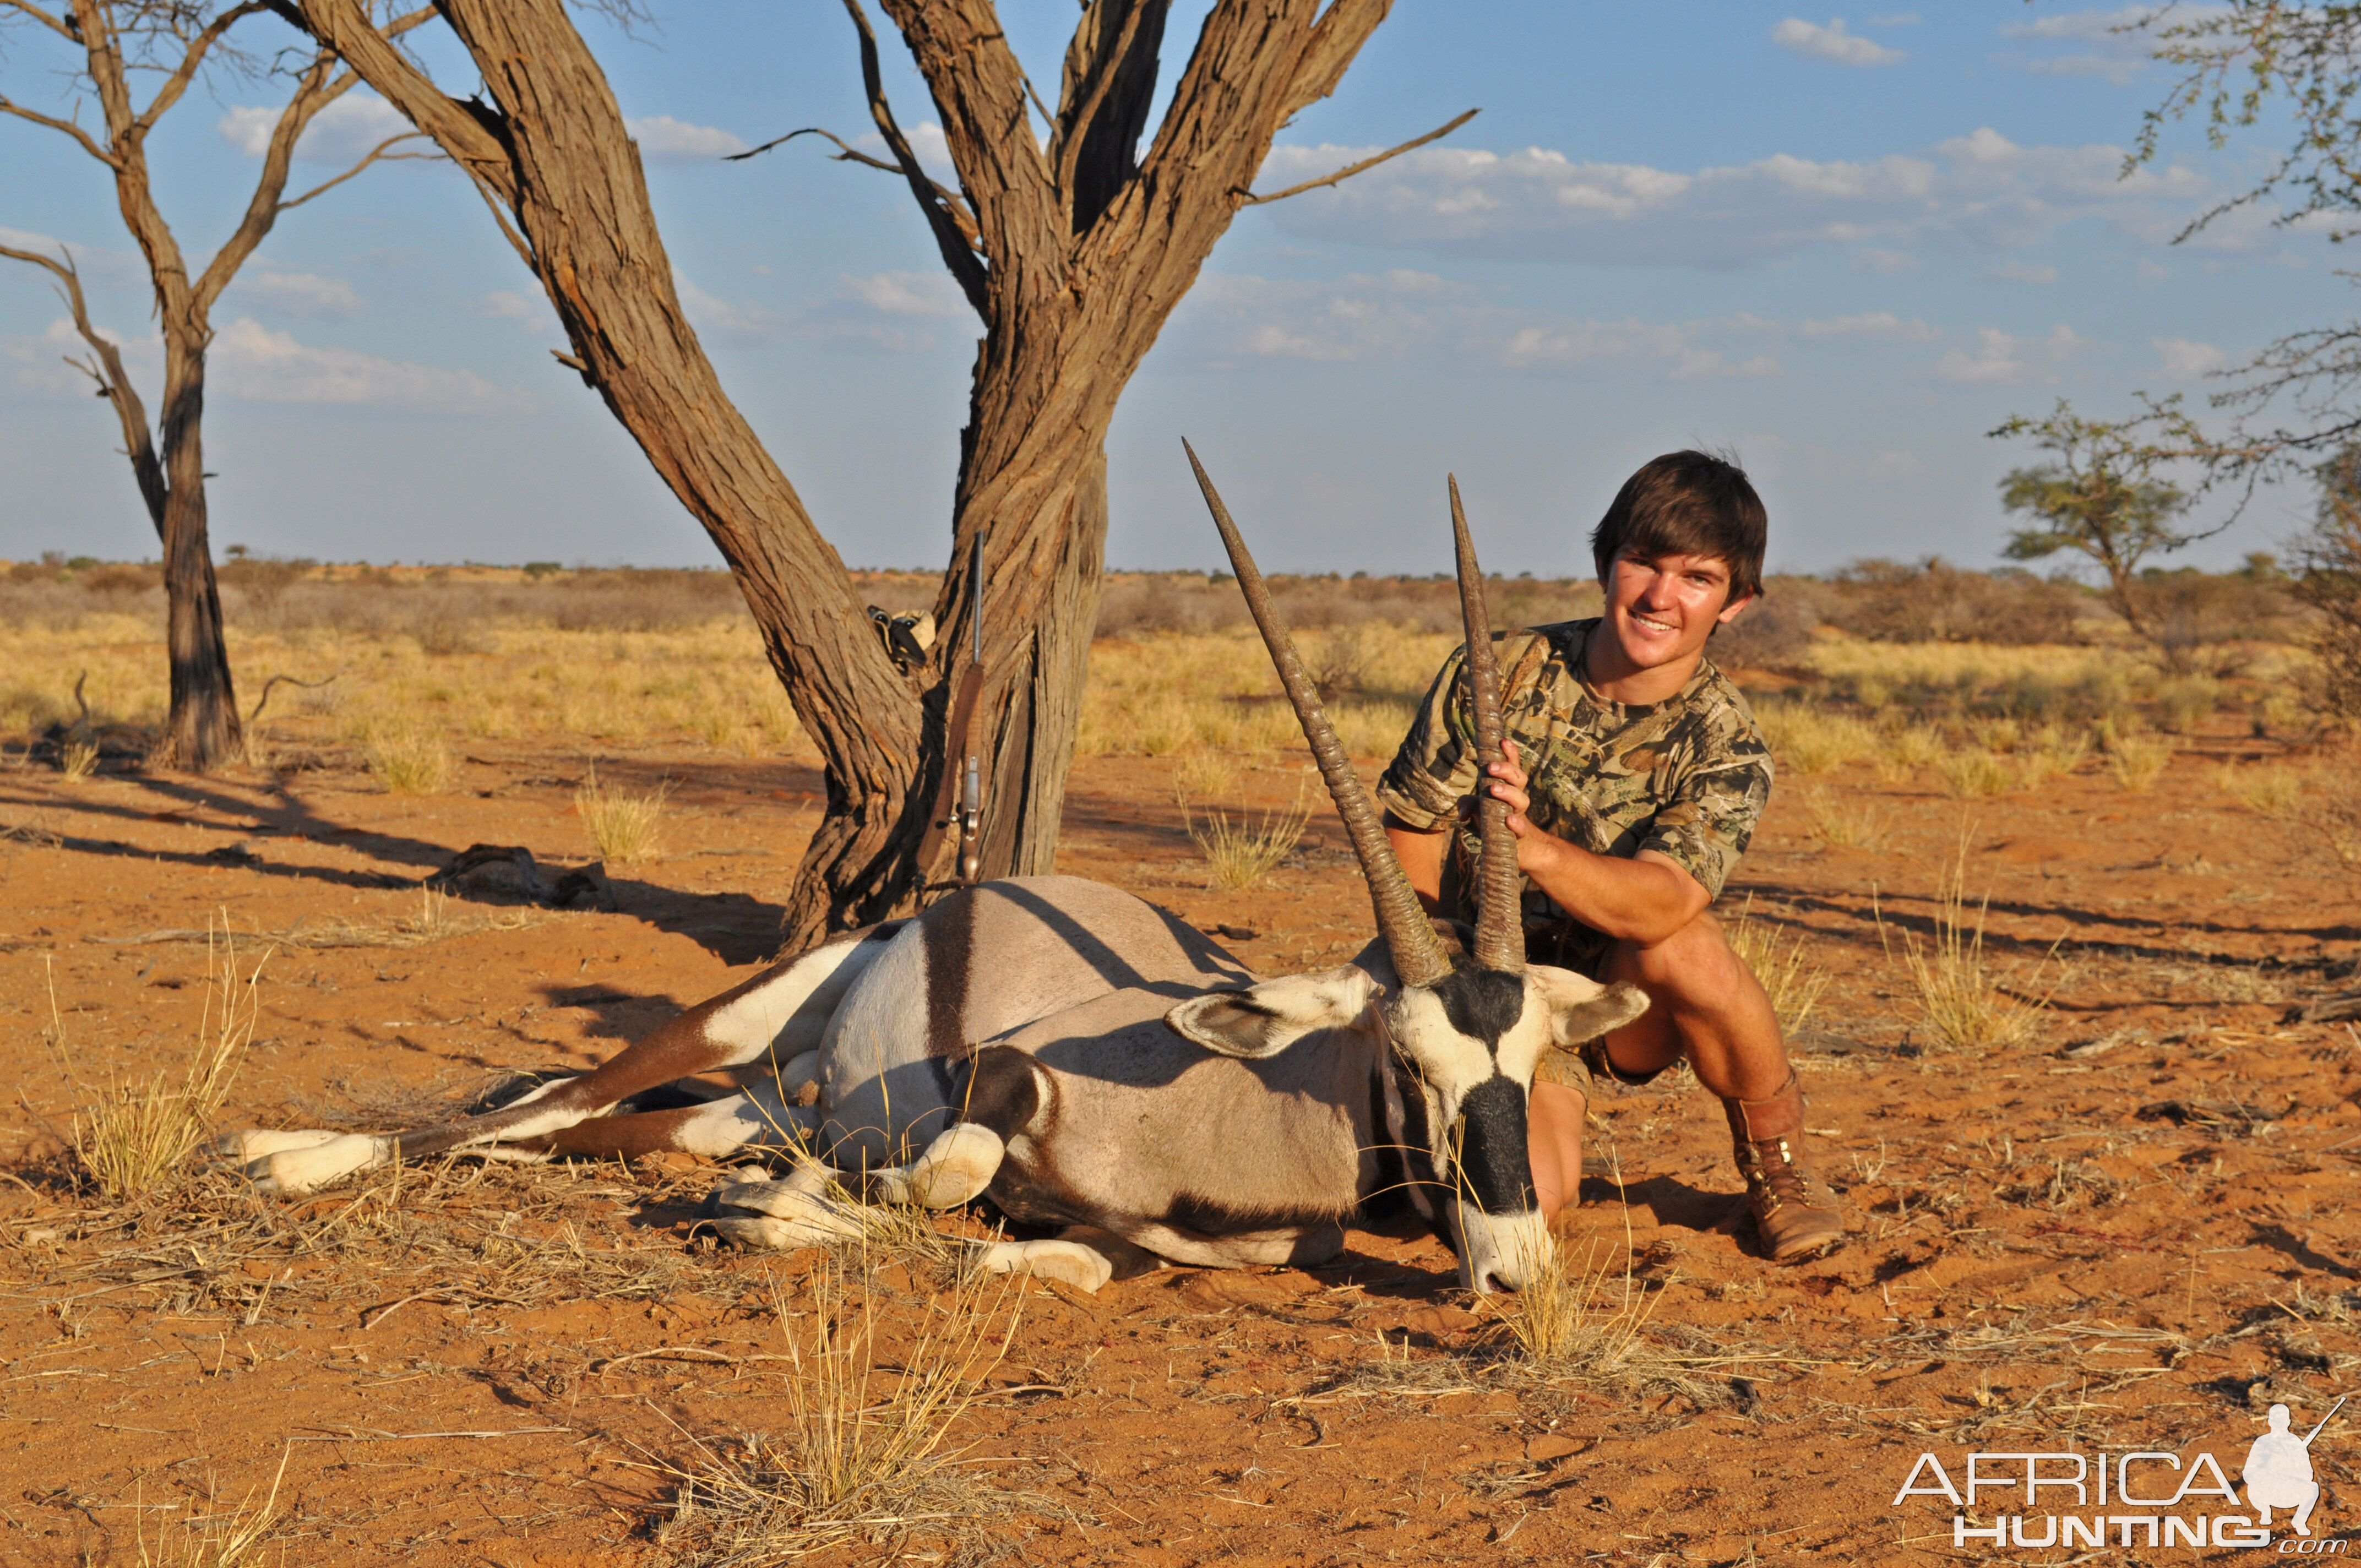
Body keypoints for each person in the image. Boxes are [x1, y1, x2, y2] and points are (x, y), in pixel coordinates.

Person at [1375, 449, 1845, 1262]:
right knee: (1534, 1206)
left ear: (1736, 602)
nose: (1662, 597)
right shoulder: (1499, 675)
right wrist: (1440, 978)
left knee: (1691, 950)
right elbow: (1412, 822)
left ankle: (1779, 1165)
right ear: (1606, 563)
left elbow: (1663, 904)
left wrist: (1532, 850)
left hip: (1614, 1007)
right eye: (1644, 564)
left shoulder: (1727, 745)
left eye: (1698, 578)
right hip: (1485, 992)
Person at [2244, 1403, 2324, 1536]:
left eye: (2282, 1420)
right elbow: (2248, 1474)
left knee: (2313, 1488)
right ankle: (2265, 1512)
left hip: (2288, 1490)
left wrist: (2293, 1468)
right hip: (2266, 1491)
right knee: (2253, 1487)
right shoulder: (2262, 1442)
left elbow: (2308, 1474)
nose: (2279, 1423)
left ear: (2288, 1422)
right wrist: (2268, 1469)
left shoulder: (2296, 1443)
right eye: (2276, 1420)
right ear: (2270, 1422)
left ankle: (2299, 1521)